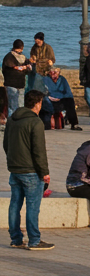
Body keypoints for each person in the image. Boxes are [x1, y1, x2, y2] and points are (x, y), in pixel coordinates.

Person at [4, 91, 51, 250]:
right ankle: (34, 240)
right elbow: (39, 150)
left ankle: (16, 239)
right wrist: (44, 172)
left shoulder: (12, 119)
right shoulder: (35, 122)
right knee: (32, 206)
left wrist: (13, 161)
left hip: (15, 169)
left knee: (15, 204)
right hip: (31, 171)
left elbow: (6, 144)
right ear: (38, 103)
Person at [41, 65, 80, 131]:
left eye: (56, 72)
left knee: (70, 101)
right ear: (49, 72)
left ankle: (74, 124)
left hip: (61, 98)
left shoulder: (62, 79)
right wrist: (50, 97)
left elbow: (68, 92)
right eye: (52, 72)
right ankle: (48, 123)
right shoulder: (45, 79)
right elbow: (43, 91)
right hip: (50, 98)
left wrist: (60, 97)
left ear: (59, 72)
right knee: (45, 101)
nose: (54, 73)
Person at [3, 40, 30, 118]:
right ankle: (14, 122)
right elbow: (15, 68)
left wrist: (25, 67)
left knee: (17, 105)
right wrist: (25, 68)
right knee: (14, 106)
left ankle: (17, 122)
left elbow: (27, 68)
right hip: (12, 84)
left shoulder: (11, 57)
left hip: (19, 84)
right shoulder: (9, 57)